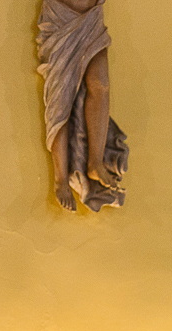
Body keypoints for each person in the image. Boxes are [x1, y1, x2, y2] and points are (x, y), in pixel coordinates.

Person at [37, 0, 128, 212]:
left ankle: (95, 162)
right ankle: (61, 179)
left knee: (101, 84)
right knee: (61, 98)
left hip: (92, 15)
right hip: (61, 16)